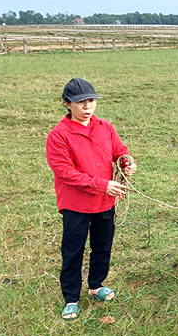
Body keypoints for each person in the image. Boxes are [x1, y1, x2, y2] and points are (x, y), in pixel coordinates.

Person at [45, 77, 137, 320]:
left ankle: (96, 285)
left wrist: (126, 161)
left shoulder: (105, 127)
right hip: (76, 204)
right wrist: (102, 184)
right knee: (73, 250)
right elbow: (65, 172)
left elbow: (119, 150)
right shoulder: (58, 136)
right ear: (67, 104)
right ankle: (71, 298)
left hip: (106, 201)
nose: (87, 107)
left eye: (91, 101)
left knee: (102, 246)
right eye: (80, 102)